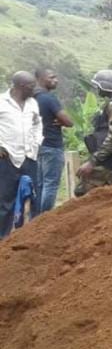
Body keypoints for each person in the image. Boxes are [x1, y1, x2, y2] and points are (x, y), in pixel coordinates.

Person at [74, 70, 112, 197]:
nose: (97, 89)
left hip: (107, 161)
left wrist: (92, 162)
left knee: (83, 194)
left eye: (98, 86)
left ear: (106, 87)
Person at [0, 71, 41, 238]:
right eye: (32, 86)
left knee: (33, 197)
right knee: (5, 200)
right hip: (7, 157)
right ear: (21, 86)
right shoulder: (2, 102)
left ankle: (32, 236)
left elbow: (38, 123)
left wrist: (37, 142)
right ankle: (3, 238)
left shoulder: (33, 103)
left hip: (29, 156)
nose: (35, 89)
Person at [30, 69, 72, 217]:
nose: (56, 80)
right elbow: (69, 122)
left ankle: (35, 219)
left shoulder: (31, 98)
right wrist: (61, 121)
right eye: (52, 77)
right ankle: (45, 218)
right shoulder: (49, 98)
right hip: (52, 145)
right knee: (51, 184)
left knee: (40, 184)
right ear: (41, 79)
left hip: (36, 146)